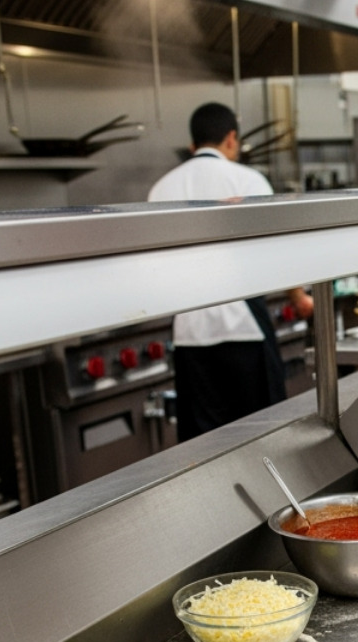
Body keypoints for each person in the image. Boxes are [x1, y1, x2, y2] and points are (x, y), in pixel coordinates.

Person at [148, 102, 313, 441]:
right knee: (263, 435)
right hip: (245, 329)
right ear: (231, 139)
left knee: (204, 444)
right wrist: (299, 298)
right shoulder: (248, 180)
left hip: (190, 334)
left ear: (193, 145)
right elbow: (277, 252)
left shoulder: (161, 188)